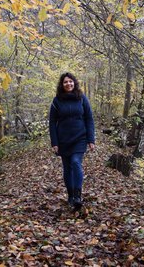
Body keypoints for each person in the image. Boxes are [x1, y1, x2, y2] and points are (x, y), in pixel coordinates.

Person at [49, 72, 95, 210]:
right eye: (65, 82)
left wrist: (91, 139)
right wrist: (54, 142)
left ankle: (77, 196)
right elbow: (52, 122)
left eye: (70, 81)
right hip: (63, 139)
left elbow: (89, 119)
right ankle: (70, 196)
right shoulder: (57, 101)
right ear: (62, 85)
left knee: (75, 162)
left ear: (74, 83)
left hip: (80, 138)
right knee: (67, 168)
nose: (68, 84)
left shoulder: (82, 99)